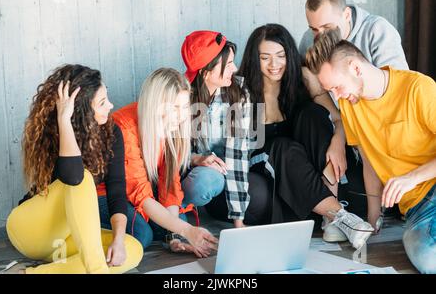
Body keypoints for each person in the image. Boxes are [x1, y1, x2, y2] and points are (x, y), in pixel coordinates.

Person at [305, 28, 436, 274]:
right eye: (331, 91)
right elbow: (370, 162)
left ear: (356, 68)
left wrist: (412, 177)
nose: (337, 96)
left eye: (337, 87)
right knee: (426, 257)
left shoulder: (418, 88)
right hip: (418, 208)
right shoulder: (350, 104)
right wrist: (373, 217)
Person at [237, 23, 373, 248]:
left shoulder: (301, 78)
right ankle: (340, 217)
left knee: (313, 115)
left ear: (289, 55)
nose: (274, 65)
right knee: (283, 146)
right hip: (260, 161)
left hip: (297, 162)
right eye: (265, 58)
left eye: (281, 56)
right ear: (254, 58)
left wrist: (338, 143)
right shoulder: (242, 89)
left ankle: (331, 221)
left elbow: (337, 119)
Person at [5, 65, 143, 274]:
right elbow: (73, 177)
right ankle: (97, 271)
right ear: (82, 110)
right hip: (31, 228)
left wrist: (118, 240)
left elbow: (116, 189)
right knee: (82, 178)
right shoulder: (57, 134)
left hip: (65, 237)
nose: (111, 106)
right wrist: (64, 120)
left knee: (131, 249)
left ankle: (27, 273)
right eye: (102, 102)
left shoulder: (112, 132)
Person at [105, 68, 218, 258]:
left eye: (184, 107)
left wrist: (175, 236)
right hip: (106, 194)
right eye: (175, 108)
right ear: (155, 105)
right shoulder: (123, 126)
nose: (182, 116)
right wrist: (187, 231)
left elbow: (169, 186)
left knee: (173, 223)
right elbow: (140, 192)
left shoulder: (173, 126)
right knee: (142, 234)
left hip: (140, 192)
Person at [180, 30, 254, 228]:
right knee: (198, 182)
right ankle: (172, 214)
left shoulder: (239, 94)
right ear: (206, 71)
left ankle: (176, 213)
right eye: (228, 64)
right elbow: (169, 152)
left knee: (206, 181)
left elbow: (237, 155)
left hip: (220, 173)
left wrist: (239, 221)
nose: (235, 68)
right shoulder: (182, 96)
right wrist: (196, 159)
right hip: (185, 169)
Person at [299, 0, 408, 70]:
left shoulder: (377, 30)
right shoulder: (308, 38)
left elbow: (398, 83)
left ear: (347, 15)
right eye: (314, 29)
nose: (320, 35)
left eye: (327, 27)